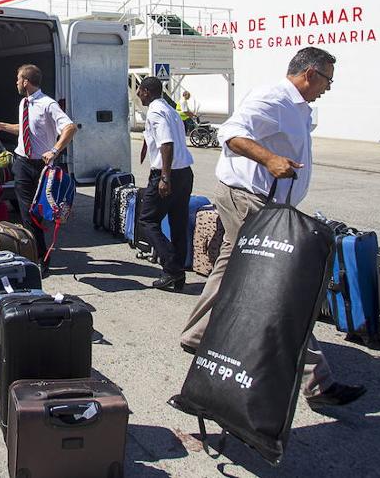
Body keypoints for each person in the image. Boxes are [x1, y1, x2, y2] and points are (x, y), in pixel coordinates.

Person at [172, 46, 366, 411]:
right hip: (249, 200)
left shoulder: (297, 106)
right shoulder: (273, 98)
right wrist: (270, 159)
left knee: (230, 269)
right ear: (310, 74)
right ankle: (316, 380)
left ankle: (197, 334)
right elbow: (231, 133)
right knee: (276, 285)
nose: (328, 87)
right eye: (327, 80)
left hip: (259, 200)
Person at [0, 64, 77, 275]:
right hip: (22, 162)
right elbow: (25, 129)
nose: (16, 82)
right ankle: (38, 257)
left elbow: (70, 127)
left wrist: (54, 150)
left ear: (26, 82)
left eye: (18, 79)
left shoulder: (48, 104)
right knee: (27, 212)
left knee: (38, 212)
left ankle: (37, 255)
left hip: (42, 166)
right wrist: (2, 126)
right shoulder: (24, 103)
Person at [136, 76, 194, 291]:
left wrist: (164, 178)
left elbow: (166, 143)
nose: (138, 95)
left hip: (167, 174)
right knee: (178, 223)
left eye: (139, 91)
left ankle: (172, 267)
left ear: (146, 91)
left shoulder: (155, 111)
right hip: (185, 173)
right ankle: (177, 276)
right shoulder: (170, 109)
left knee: (147, 221)